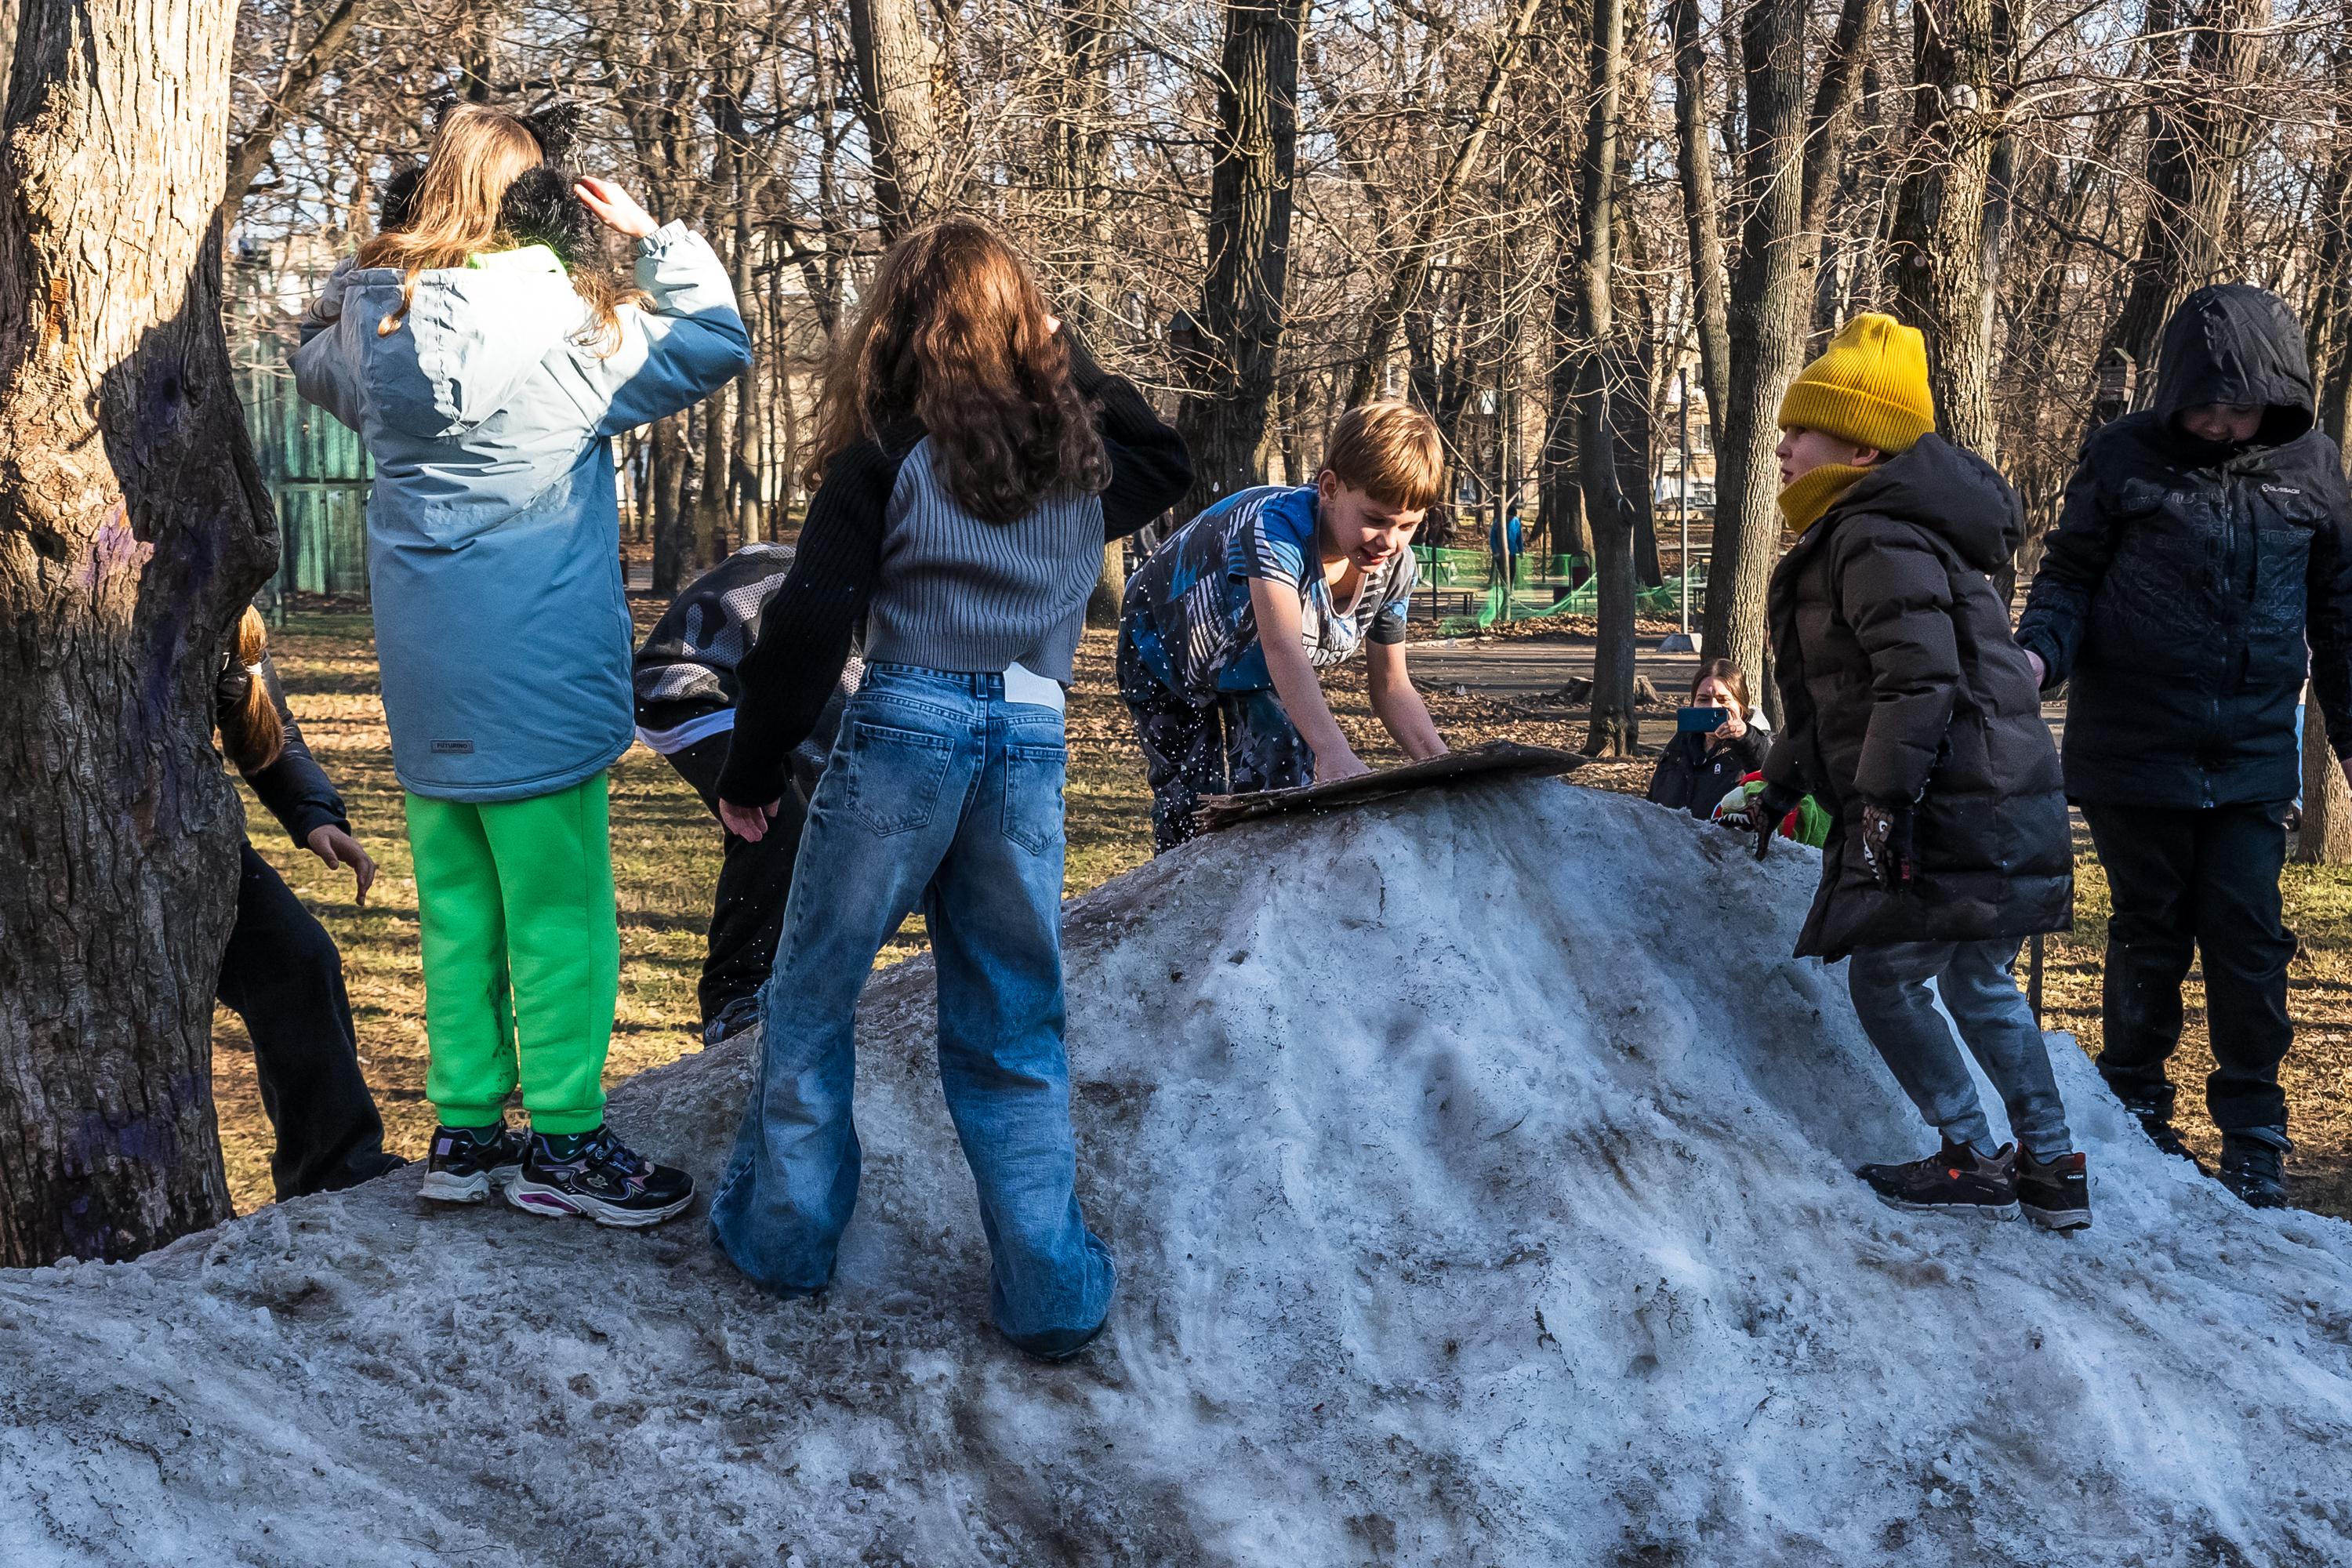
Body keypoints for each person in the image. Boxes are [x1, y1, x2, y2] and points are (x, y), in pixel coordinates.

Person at [706, 217, 1192, 1358]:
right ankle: (1052, 1296)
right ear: (1030, 328)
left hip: (905, 731)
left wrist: (754, 763)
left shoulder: (888, 450)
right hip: (1030, 736)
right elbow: (1165, 454)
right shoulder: (1077, 460)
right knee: (1014, 1021)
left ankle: (785, 1239)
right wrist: (1061, 358)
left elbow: (809, 621)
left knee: (815, 991)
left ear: (900, 326)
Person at [292, 104, 751, 1225]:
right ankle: (567, 1142)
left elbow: (308, 363)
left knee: (455, 907)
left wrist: (367, 265)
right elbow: (719, 340)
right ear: (538, 202)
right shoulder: (577, 337)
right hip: (538, 676)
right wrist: (651, 242)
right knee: (558, 911)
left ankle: (464, 1134)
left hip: (427, 680)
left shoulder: (374, 333)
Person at [2016, 285, 2352, 1209]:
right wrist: (2040, 651)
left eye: (2236, 405)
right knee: (2147, 931)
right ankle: (2136, 1105)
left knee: (2247, 938)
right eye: (2202, 402)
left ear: (2275, 393)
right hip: (2136, 747)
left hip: (2248, 751)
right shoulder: (2125, 456)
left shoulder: (2313, 469)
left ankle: (2254, 1131)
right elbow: (2070, 575)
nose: (2216, 422)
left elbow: (2340, 613)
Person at [1754, 313, 2087, 1229]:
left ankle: (1971, 1152)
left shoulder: (1869, 538)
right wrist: (1779, 786)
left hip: (1949, 805)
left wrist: (1879, 805)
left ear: (1861, 449)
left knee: (1888, 978)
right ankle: (2054, 1169)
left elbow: (1917, 680)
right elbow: (1836, 700)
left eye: (1801, 430)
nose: (1782, 447)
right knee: (1979, 980)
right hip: (1995, 803)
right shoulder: (1895, 533)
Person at [1117, 403, 1451, 852]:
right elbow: (1282, 647)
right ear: (1330, 488)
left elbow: (1391, 686)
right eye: (1374, 519)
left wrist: (1445, 768)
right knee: (1192, 806)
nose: (1388, 542)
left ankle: (1268, 903)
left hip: (1250, 666)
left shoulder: (1395, 569)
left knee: (1284, 766)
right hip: (1161, 649)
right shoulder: (1276, 532)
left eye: (1407, 525)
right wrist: (1335, 752)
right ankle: (1188, 908)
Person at [632, 543, 860, 1047]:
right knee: (771, 812)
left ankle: (795, 983)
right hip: (688, 691)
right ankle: (734, 996)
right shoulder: (792, 570)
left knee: (829, 842)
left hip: (791, 725)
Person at [214, 606, 405, 1200]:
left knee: (299, 962)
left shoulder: (223, 605)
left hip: (185, 836)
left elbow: (267, 732)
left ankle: (335, 1173)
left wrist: (314, 813)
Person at [1646, 658, 1766, 822]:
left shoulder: (1758, 744)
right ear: (1693, 703)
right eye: (1703, 699)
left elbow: (1770, 774)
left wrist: (1745, 738)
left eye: (1723, 699)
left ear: (1741, 705)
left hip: (1726, 846)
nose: (1713, 706)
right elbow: (1652, 801)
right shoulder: (1679, 745)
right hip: (1671, 844)